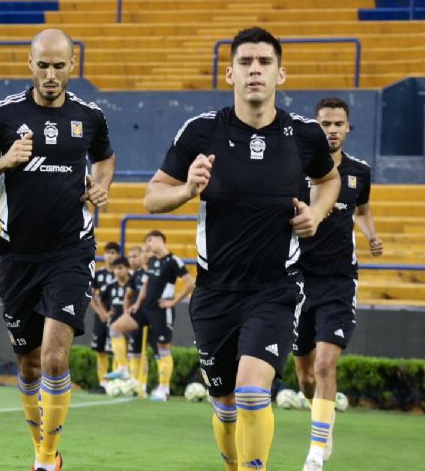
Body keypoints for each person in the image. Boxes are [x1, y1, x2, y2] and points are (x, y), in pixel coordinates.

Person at [143, 27, 340, 470]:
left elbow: (330, 180)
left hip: (275, 289)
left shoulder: (303, 135)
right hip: (213, 293)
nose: (255, 70)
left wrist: (317, 212)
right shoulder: (201, 132)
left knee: (253, 391)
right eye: (246, 62)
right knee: (226, 402)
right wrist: (187, 190)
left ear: (281, 74)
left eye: (264, 62)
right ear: (229, 73)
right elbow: (152, 196)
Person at [0, 28, 115, 471]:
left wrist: (101, 184)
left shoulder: (91, 116)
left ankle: (46, 461)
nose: (50, 74)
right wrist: (4, 161)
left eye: (58, 65)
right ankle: (42, 448)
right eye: (42, 65)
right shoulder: (2, 117)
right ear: (29, 64)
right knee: (27, 366)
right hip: (17, 257)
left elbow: (105, 156)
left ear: (72, 66)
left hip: (71, 253)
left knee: (53, 356)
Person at [293, 97, 382, 471]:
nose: (331, 130)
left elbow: (361, 209)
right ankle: (322, 417)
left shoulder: (360, 172)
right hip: (297, 281)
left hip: (339, 280)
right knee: (306, 377)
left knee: (328, 365)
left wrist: (371, 235)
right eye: (325, 123)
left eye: (338, 124)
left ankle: (316, 451)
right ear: (316, 126)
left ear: (348, 128)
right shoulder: (296, 169)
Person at [112, 230, 195, 401]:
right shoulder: (153, 262)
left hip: (161, 310)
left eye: (150, 240)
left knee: (162, 349)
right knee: (116, 328)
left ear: (160, 240)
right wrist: (137, 303)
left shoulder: (173, 261)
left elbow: (190, 283)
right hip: (145, 308)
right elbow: (146, 283)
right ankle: (123, 368)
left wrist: (173, 302)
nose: (147, 244)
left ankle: (163, 389)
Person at [100, 256, 136, 383]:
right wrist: (104, 313)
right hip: (115, 321)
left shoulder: (134, 283)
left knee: (134, 352)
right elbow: (98, 299)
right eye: (115, 268)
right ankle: (120, 380)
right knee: (117, 351)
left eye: (120, 268)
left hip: (132, 322)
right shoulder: (110, 286)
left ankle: (139, 384)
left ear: (127, 268)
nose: (117, 271)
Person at [90, 241, 121, 387]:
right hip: (100, 318)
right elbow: (91, 297)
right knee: (100, 350)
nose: (110, 256)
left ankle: (115, 381)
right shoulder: (98, 275)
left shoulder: (121, 274)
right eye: (108, 253)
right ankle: (102, 382)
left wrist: (110, 314)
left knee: (116, 349)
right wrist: (101, 313)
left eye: (113, 253)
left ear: (118, 255)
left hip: (116, 318)